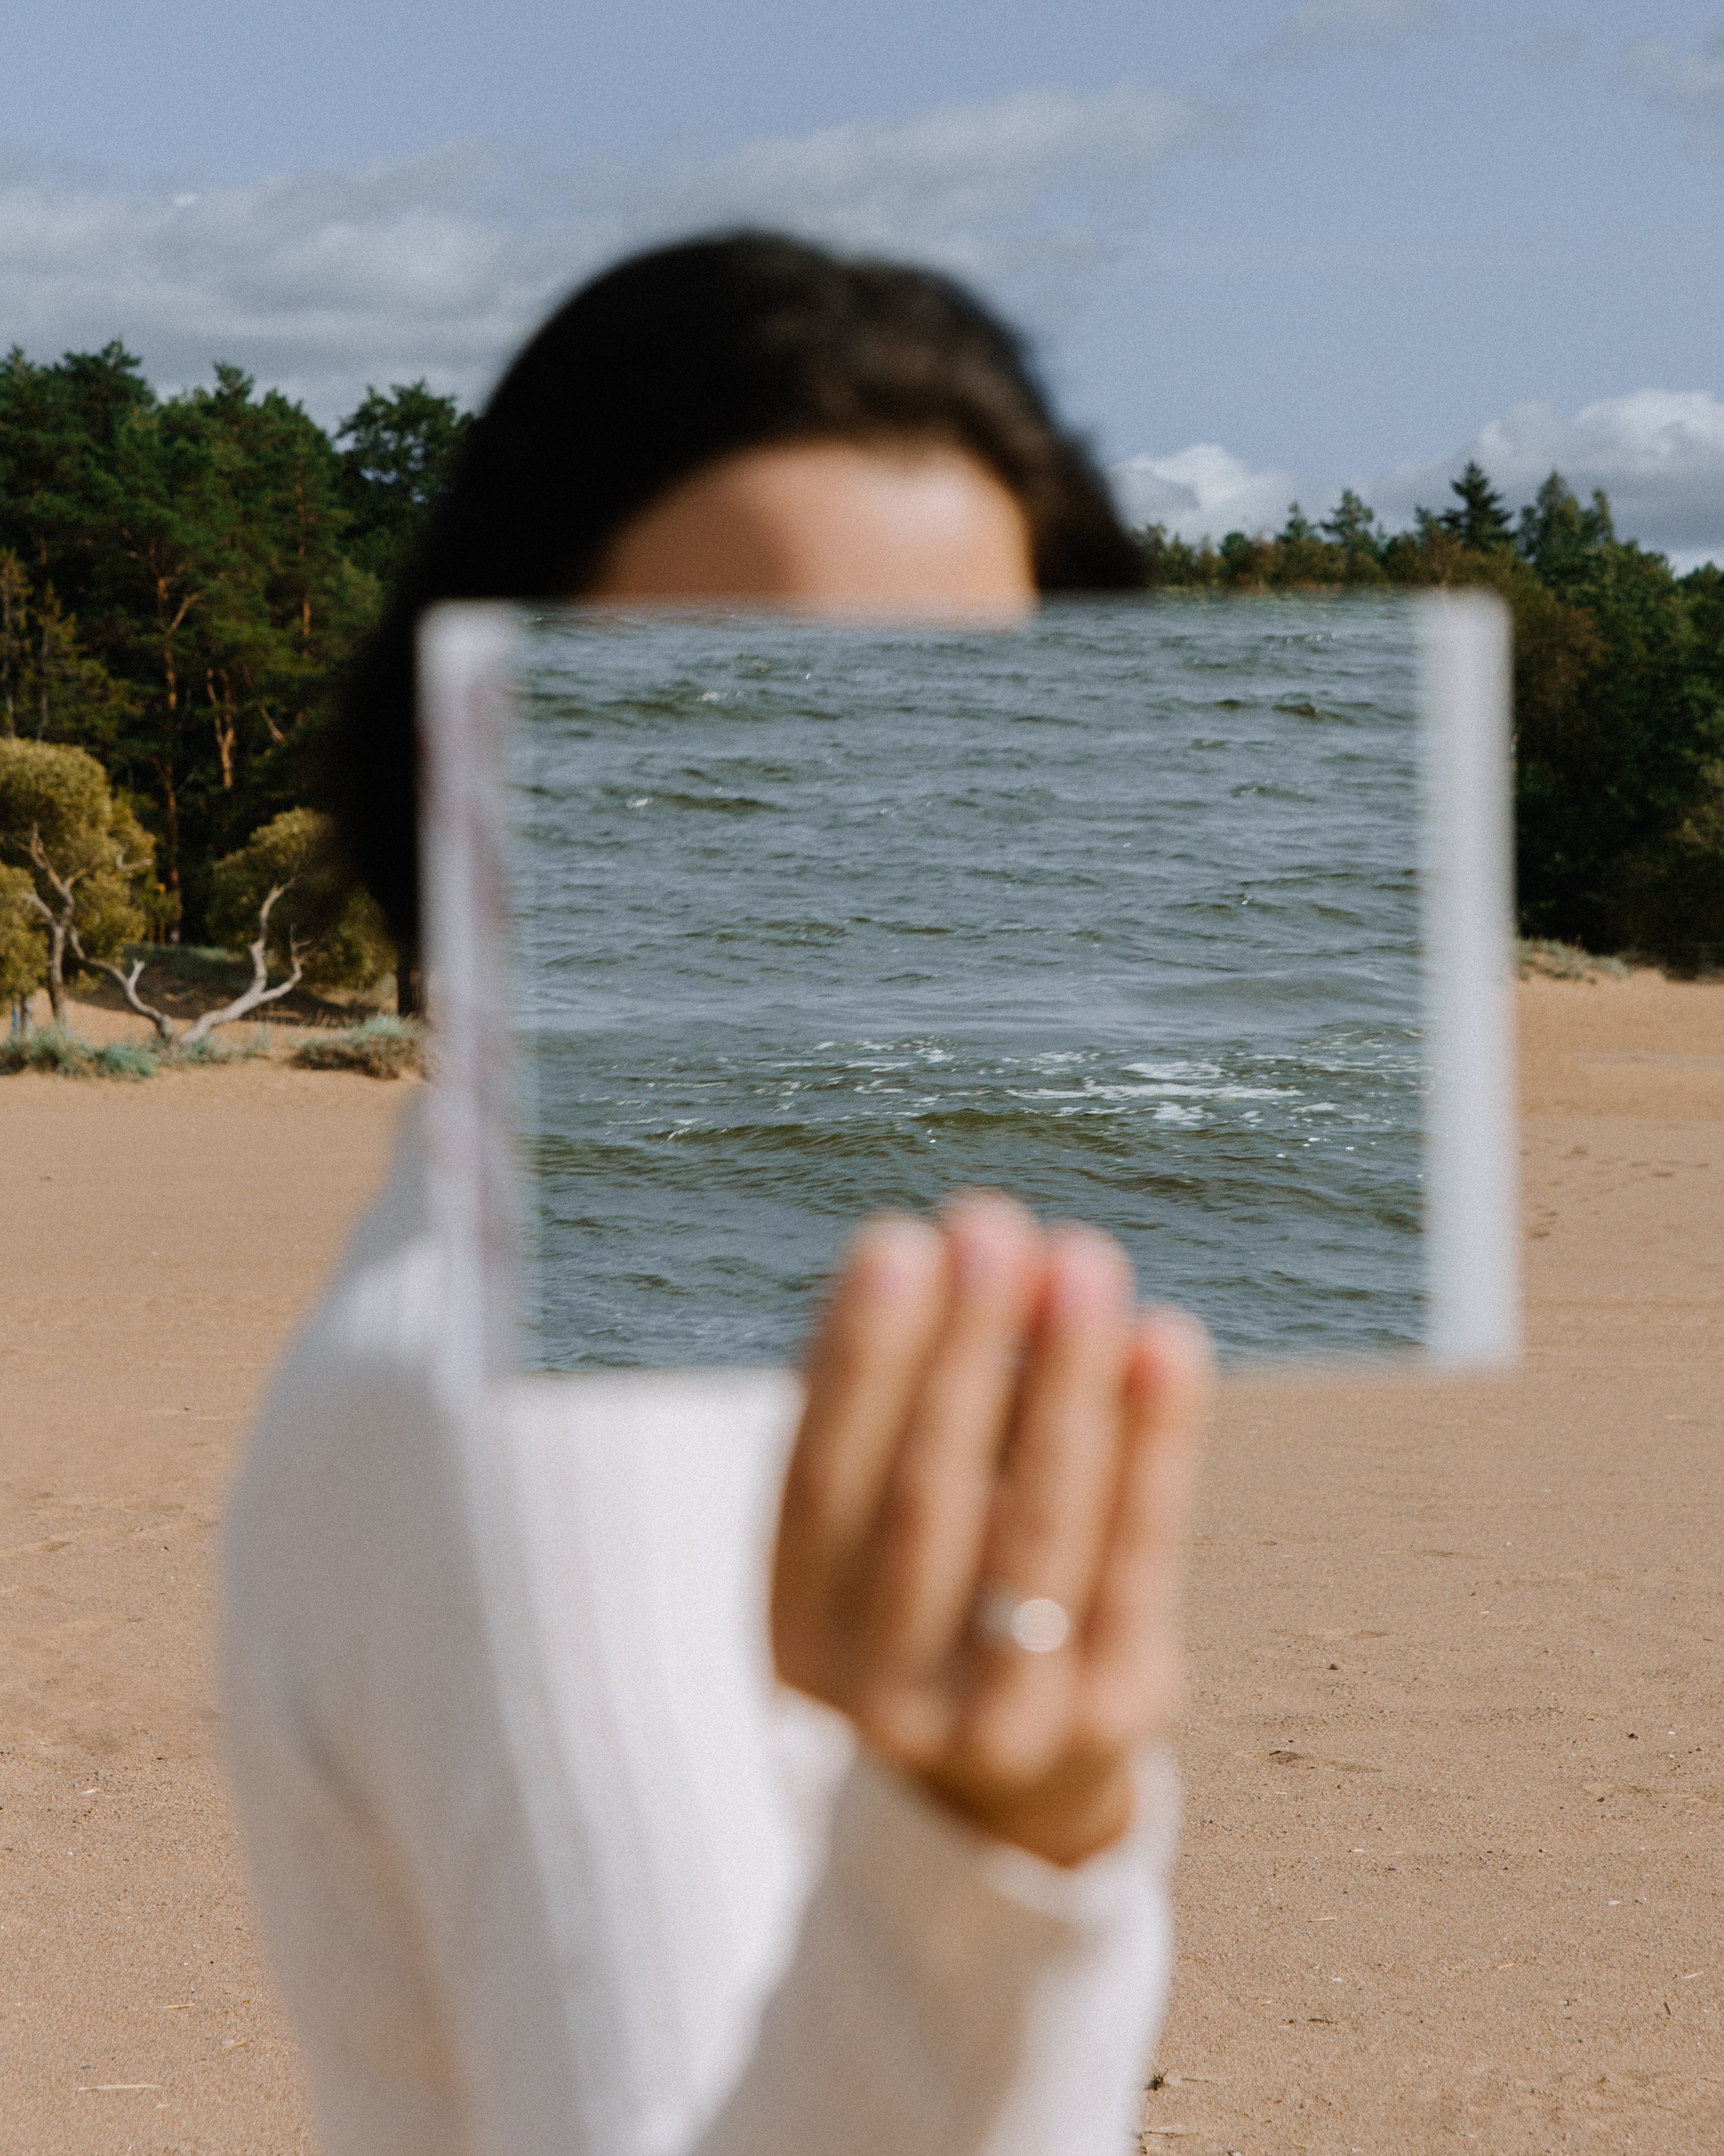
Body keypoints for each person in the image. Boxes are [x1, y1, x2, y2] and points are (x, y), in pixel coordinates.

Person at [221, 232, 1211, 2156]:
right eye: (721, 722)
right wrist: (990, 1859)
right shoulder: (537, 1395)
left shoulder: (697, 1292)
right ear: (472, 755)